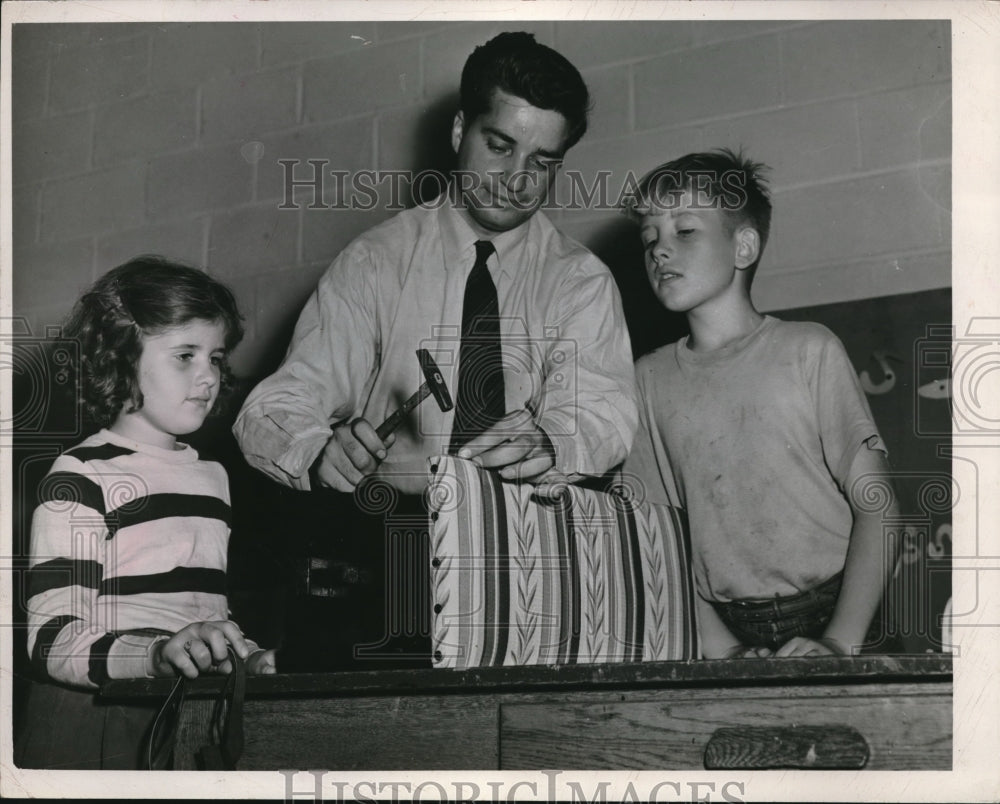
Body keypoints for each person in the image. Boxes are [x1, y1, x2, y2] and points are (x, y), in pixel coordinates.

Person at [233, 33, 637, 667]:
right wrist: (316, 453)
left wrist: (555, 441)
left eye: (542, 162)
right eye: (499, 147)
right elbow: (274, 407)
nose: (515, 180)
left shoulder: (579, 281)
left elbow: (606, 414)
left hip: (528, 568)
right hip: (381, 562)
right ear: (458, 130)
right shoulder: (374, 262)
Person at [622, 149, 899, 659]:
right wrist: (724, 652)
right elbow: (659, 544)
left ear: (743, 246)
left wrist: (839, 644)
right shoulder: (646, 379)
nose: (659, 250)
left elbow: (878, 509)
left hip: (848, 616)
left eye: (684, 231)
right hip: (730, 632)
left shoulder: (808, 349)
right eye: (649, 238)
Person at [17, 257, 275, 770]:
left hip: (184, 711)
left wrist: (245, 654)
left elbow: (199, 614)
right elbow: (49, 639)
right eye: (185, 355)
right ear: (120, 355)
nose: (208, 376)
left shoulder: (213, 478)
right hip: (95, 717)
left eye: (216, 357)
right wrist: (156, 657)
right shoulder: (80, 476)